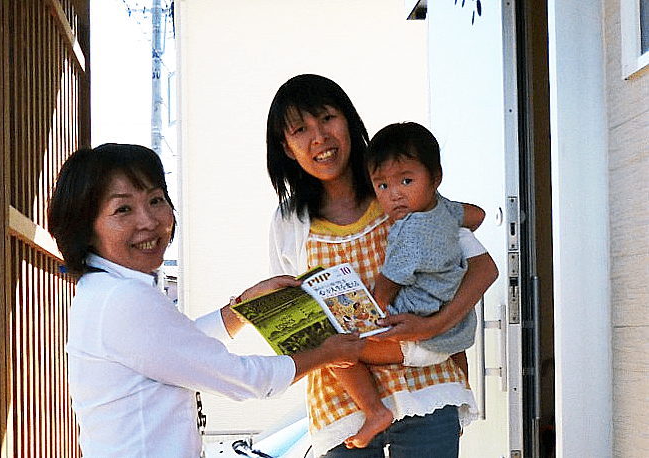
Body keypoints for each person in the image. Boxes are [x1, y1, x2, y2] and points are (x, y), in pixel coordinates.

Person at [46, 143, 365, 458]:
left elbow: (174, 349)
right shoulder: (123, 298)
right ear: (86, 229)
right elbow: (243, 379)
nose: (149, 221)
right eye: (123, 209)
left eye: (156, 200)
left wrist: (243, 308)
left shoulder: (101, 290)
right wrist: (328, 353)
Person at [266, 74, 498, 457]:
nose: (319, 137)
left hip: (429, 391)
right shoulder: (288, 222)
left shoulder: (398, 190)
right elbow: (294, 317)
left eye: (327, 118)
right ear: (287, 148)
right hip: (343, 409)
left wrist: (432, 326)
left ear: (349, 121)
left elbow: (477, 268)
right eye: (301, 129)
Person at [331, 121, 485, 448]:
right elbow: (478, 214)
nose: (396, 194)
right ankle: (463, 397)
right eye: (383, 186)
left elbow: (385, 290)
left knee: (335, 347)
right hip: (452, 339)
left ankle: (375, 411)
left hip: (413, 336)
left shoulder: (409, 233)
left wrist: (362, 316)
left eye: (406, 180)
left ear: (436, 177)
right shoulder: (445, 213)